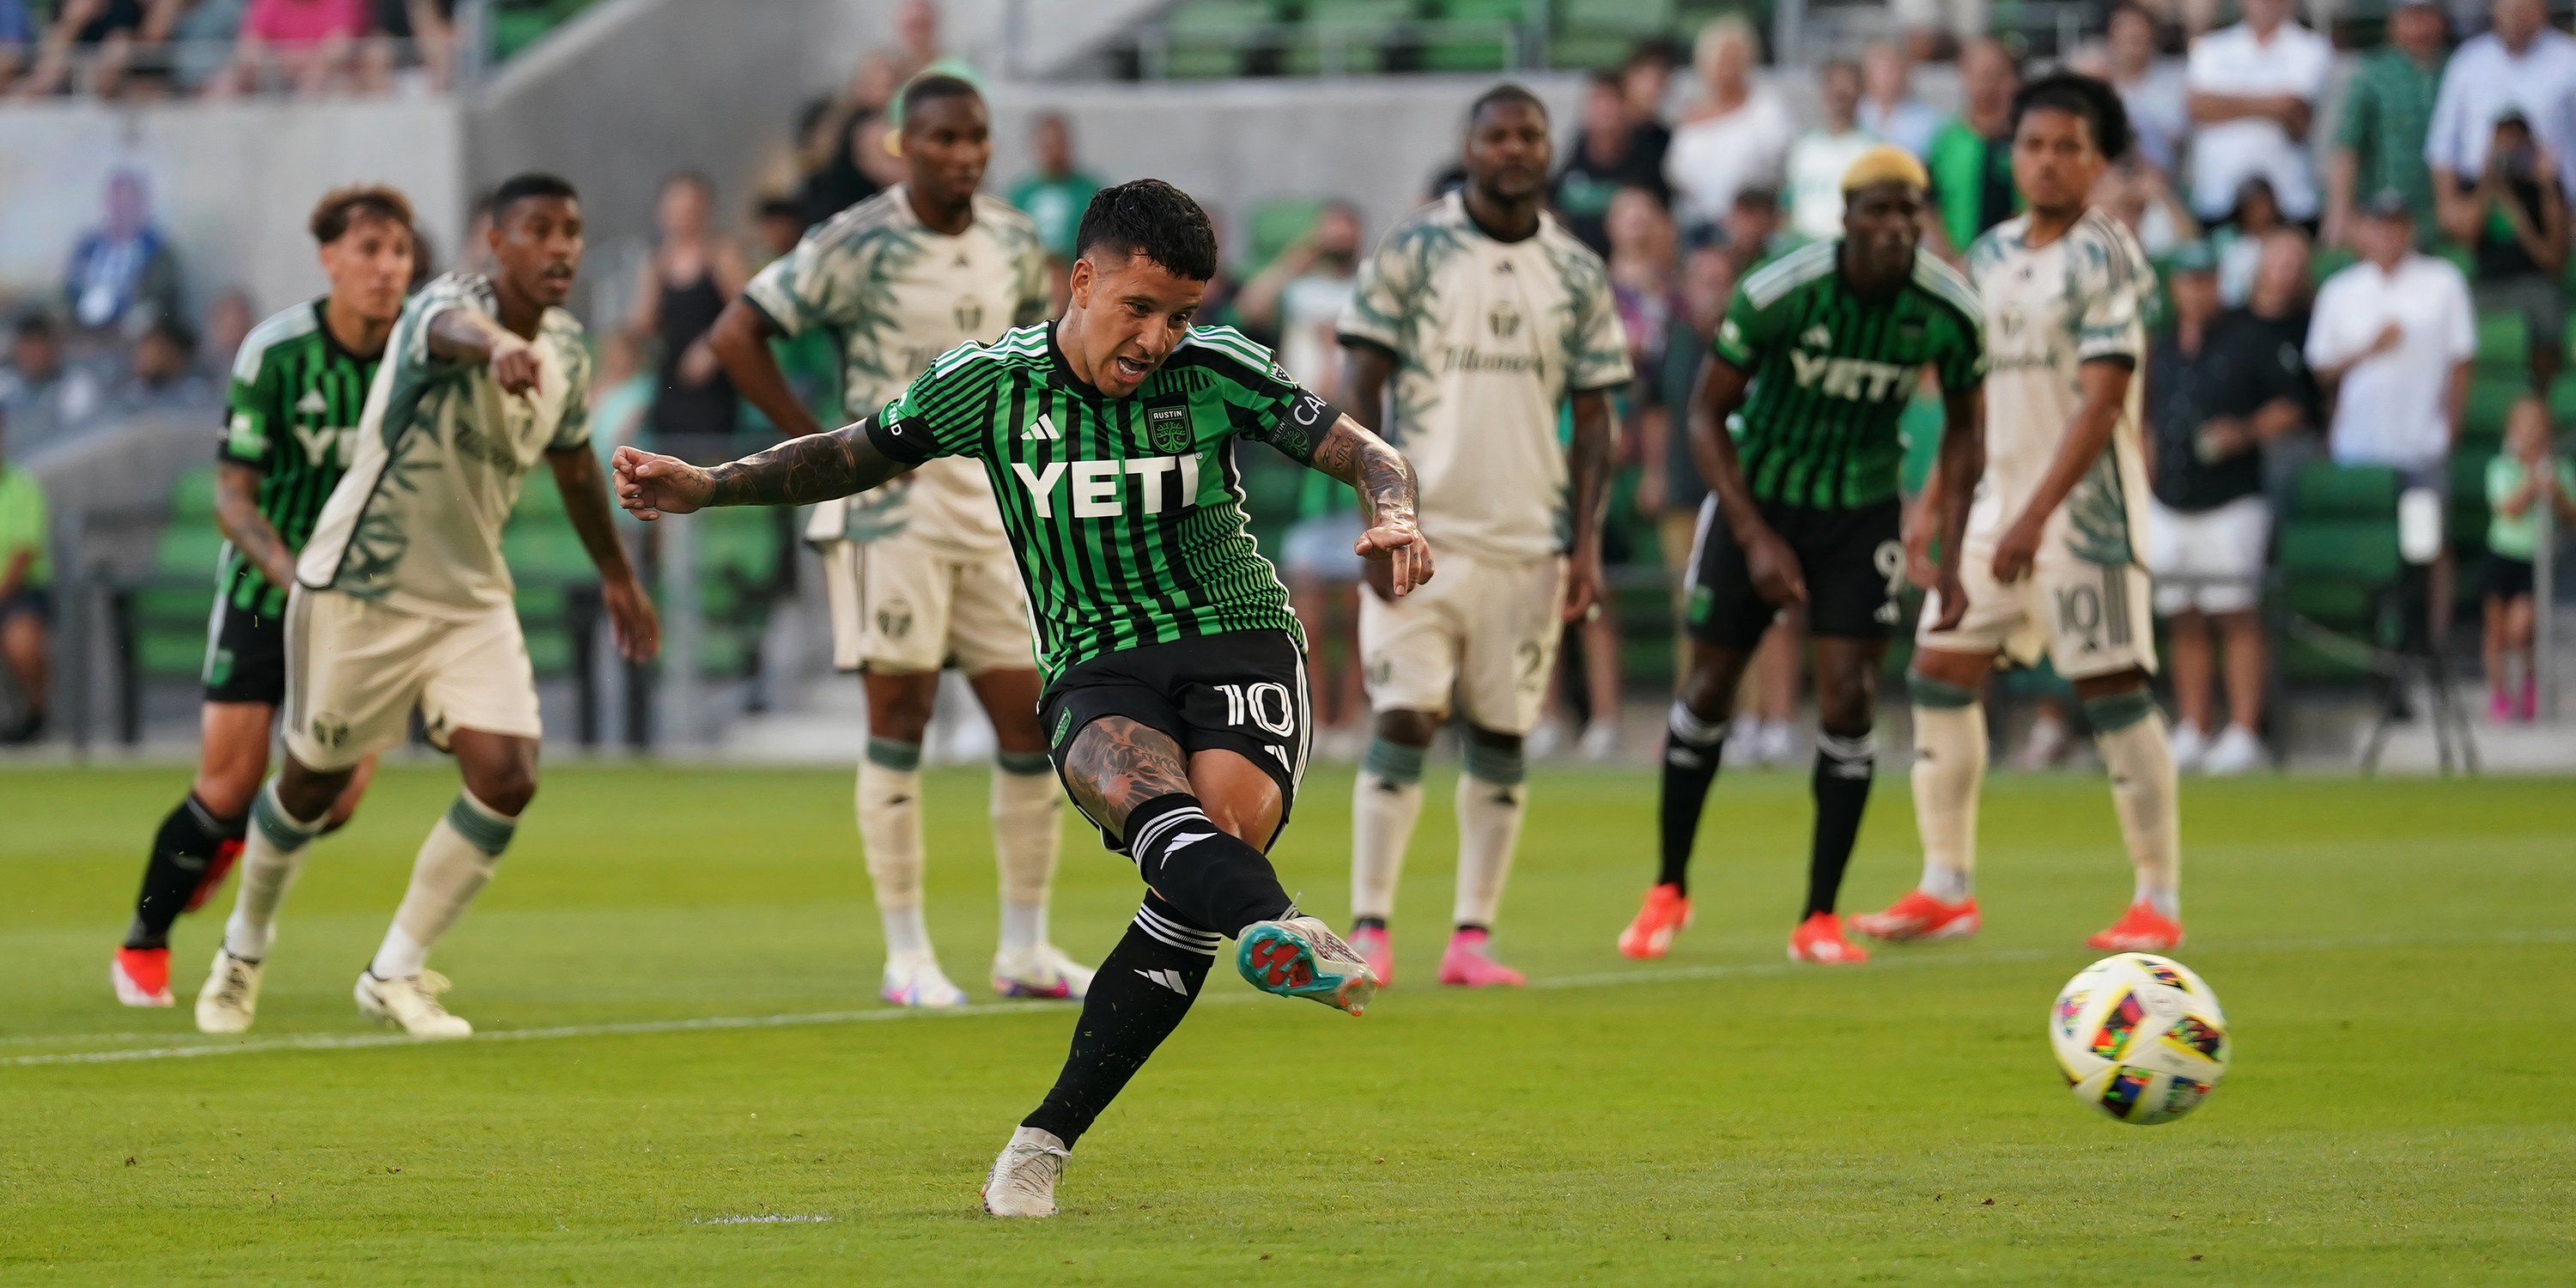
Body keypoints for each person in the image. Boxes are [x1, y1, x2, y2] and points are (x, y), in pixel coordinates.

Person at [613, 177, 1431, 1218]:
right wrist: (713, 484)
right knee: (1163, 824)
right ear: (1082, 281)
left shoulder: (1221, 368)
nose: (1158, 339)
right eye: (1139, 308)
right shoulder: (988, 384)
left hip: (1239, 645)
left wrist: (1395, 512)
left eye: (1180, 315)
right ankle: (1280, 929)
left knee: (1201, 868)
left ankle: (1044, 1140)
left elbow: (1366, 450)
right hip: (1097, 663)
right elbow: (853, 453)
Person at [193, 173, 661, 1039]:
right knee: (310, 786)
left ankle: (395, 969)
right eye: (539, 229)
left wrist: (617, 574)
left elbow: (572, 467)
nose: (561, 246)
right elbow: (450, 328)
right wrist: (495, 346)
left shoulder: (567, 349)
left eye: (572, 230)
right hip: (359, 587)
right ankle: (243, 949)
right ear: (497, 241)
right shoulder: (441, 308)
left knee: (509, 775)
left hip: (468, 596)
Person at [708, 76, 1088, 1006]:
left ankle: (1025, 949)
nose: (962, 154)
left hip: (994, 506)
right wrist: (825, 450)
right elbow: (737, 333)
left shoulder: (1012, 239)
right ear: (902, 145)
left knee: (1031, 720)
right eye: (942, 138)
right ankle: (907, 956)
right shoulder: (857, 239)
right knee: (902, 717)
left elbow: (1031, 362)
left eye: (975, 138)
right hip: (889, 509)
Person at [1619, 146, 1985, 964]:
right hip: (1759, 496)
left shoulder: (1949, 309)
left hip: (1861, 509)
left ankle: (1818, 916)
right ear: (1846, 219)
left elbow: (1967, 432)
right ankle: (1668, 888)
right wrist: (1754, 537)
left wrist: (1954, 555)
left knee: (1851, 698)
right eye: (1878, 211)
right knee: (1709, 688)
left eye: (1908, 213)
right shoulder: (1779, 291)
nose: (1895, 228)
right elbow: (1706, 417)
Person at [1857, 73, 2186, 954]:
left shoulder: (2110, 258)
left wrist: (2036, 518)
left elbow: (2102, 402)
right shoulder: (1991, 256)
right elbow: (1970, 399)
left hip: (2085, 519)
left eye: (2066, 148)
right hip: (1991, 508)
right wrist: (1933, 502)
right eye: (2033, 146)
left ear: (2096, 161)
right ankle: (1946, 886)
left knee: (2113, 691)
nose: (2046, 163)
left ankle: (2156, 897)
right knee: (1938, 672)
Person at [1333, 86, 1625, 984]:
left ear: (1548, 149)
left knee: (1502, 737)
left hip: (1527, 543)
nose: (1514, 149)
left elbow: (1596, 420)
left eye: (1529, 135)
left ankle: (1471, 939)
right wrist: (1380, 516)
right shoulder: (1414, 249)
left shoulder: (1576, 271)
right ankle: (1372, 928)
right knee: (1404, 716)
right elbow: (1358, 385)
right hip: (1424, 535)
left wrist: (1584, 545)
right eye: (1497, 135)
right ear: (1469, 147)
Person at [111, 186, 417, 1008]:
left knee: (338, 798)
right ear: (330, 258)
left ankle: (231, 843)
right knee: (224, 787)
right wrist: (299, 579)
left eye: (399, 251)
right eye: (369, 250)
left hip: (362, 603)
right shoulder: (276, 352)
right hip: (263, 588)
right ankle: (144, 943)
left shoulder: (422, 358)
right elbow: (232, 496)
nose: (387, 268)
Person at [2143, 241, 2306, 778]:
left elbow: (2291, 407)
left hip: (2231, 498)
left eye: (2205, 280)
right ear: (2175, 287)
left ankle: (2243, 729)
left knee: (2235, 613)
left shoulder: (2248, 339)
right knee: (2183, 615)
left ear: (2218, 283)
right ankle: (2194, 724)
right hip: (2170, 498)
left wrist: (2245, 431)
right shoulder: (2163, 346)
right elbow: (2147, 416)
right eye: (2188, 280)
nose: (2196, 291)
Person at [2307, 191, 2476, 642]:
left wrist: (2451, 429)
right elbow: (2321, 370)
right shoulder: (2340, 290)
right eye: (2379, 225)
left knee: (2428, 547)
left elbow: (2462, 361)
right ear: (2364, 231)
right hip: (2359, 448)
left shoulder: (2443, 281)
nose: (2388, 235)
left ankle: (2432, 646)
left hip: (2421, 445)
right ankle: (2368, 647)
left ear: (2409, 230)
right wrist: (2368, 349)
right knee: (2365, 551)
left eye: (2396, 225)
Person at [1237, 202, 1369, 746]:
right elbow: (1252, 305)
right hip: (1303, 454)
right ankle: (1314, 719)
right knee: (1308, 614)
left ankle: (1351, 721)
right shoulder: (1300, 289)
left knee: (1357, 615)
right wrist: (1302, 254)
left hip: (1356, 445)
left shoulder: (1368, 291)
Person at [2439, 110, 2567, 393]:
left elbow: (2553, 259)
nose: (2507, 151)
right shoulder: (2478, 188)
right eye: (2500, 143)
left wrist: (2527, 209)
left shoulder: (2541, 190)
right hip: (2489, 285)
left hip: (2531, 283)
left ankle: (2540, 399)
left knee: (2548, 309)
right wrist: (2489, 181)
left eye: (2514, 143)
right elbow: (2468, 236)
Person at [624, 172, 749, 450]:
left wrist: (711, 346)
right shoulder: (657, 261)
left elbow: (747, 310)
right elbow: (643, 323)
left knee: (710, 456)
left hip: (714, 379)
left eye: (689, 207)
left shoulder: (719, 254)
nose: (682, 215)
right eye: (674, 207)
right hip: (671, 376)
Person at [2182, 0, 2331, 228]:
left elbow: (2293, 108)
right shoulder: (2210, 47)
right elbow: (2198, 107)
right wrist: (2272, 104)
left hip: (2289, 201)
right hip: (2218, 198)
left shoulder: (2313, 47)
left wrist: (2221, 104)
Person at [2426, 0, 2576, 212]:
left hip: (2553, 199)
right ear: (2494, 11)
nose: (2515, 18)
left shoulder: (2569, 59)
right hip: (2481, 197)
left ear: (2542, 9)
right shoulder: (2469, 60)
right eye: (2508, 10)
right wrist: (2448, 205)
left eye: (2523, 9)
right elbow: (2443, 142)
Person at [2324, 0, 2447, 249]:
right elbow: (2347, 145)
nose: (2420, 26)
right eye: (2411, 16)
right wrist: (2340, 215)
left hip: (2441, 216)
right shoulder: (2372, 73)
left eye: (2426, 15)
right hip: (2385, 215)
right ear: (2393, 22)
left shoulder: (2457, 67)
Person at [2482, 397, 2576, 721]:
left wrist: (2555, 491)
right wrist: (2531, 483)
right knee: (2496, 632)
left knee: (2521, 629)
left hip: (2536, 561)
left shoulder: (2559, 470)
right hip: (2502, 556)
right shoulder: (2501, 468)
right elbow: (2508, 509)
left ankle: (2530, 685)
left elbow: (2571, 516)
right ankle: (2499, 692)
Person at [1663, 17, 1795, 239]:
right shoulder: (1687, 118)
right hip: (1695, 228)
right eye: (1719, 60)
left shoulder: (1766, 110)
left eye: (1733, 60)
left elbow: (1785, 168)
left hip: (1751, 229)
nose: (1726, 69)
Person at [1554, 70, 1674, 257]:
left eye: (1612, 103)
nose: (1605, 112)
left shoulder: (1647, 156)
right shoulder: (1577, 150)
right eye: (1598, 102)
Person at [1925, 39, 2021, 261]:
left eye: (1997, 74)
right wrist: (1949, 257)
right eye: (1981, 75)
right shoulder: (1946, 141)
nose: (1989, 85)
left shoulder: (2024, 140)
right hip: (1953, 264)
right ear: (1965, 77)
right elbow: (1928, 204)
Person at [64, 170, 184, 337]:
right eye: (117, 203)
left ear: (141, 206)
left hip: (135, 335)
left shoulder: (157, 251)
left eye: (129, 204)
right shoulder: (88, 248)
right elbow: (71, 289)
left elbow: (162, 299)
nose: (122, 211)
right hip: (85, 332)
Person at [1785, 59, 1882, 245]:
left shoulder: (1874, 150)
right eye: (1834, 88)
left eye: (1847, 89)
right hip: (1806, 248)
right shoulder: (1803, 147)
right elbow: (1788, 208)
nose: (1840, 95)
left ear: (1860, 93)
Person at [0, 406, 47, 744]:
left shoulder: (22, 486)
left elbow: (23, 554)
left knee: (22, 643)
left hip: (18, 592)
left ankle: (34, 715)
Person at [0, 312, 106, 456]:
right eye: (25, 346)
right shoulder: (6, 384)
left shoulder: (76, 384)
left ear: (52, 346)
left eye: (37, 345)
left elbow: (79, 439)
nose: (31, 354)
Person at [1007, 112, 1105, 264]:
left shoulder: (1091, 191)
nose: (1055, 152)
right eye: (1048, 145)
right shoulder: (1021, 195)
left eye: (1059, 144)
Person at [2107, 3, 2189, 175]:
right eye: (2127, 37)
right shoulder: (2097, 81)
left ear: (2153, 38)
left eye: (2138, 38)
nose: (2132, 47)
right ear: (2112, 39)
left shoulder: (2178, 77)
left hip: (2165, 176)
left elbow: (2177, 135)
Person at [103, 318, 213, 417]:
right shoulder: (130, 395)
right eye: (143, 349)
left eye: (155, 350)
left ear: (175, 353)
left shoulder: (197, 392)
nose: (144, 356)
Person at [1858, 39, 1943, 160]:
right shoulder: (1856, 112)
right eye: (1878, 69)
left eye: (1891, 69)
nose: (1885, 77)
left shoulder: (1930, 121)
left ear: (1905, 71)